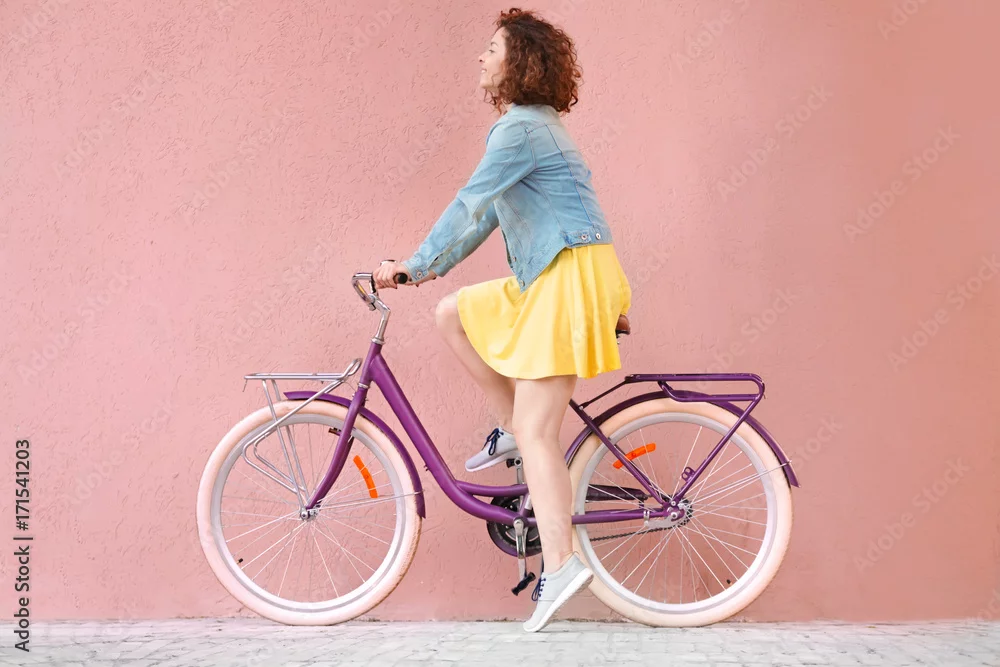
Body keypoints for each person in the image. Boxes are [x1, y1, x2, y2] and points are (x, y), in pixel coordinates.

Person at [373, 7, 632, 632]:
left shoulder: (519, 131)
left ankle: (561, 565)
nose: (481, 57)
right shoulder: (531, 127)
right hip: (554, 272)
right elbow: (485, 217)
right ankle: (508, 427)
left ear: (519, 62)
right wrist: (425, 273)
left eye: (492, 49)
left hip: (567, 275)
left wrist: (411, 264)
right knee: (454, 313)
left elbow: (469, 204)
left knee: (540, 432)